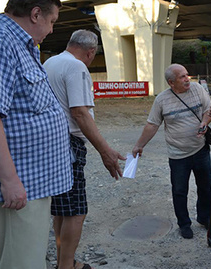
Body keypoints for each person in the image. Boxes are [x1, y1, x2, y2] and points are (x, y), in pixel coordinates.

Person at [0, 1, 72, 268]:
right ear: (35, 14)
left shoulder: (17, 43)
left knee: (21, 258)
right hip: (20, 184)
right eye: (53, 21)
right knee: (22, 263)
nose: (52, 29)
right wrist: (10, 181)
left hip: (30, 180)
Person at [43, 29, 126, 269]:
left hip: (53, 142)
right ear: (91, 52)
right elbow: (80, 112)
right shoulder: (77, 67)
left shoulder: (51, 62)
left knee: (61, 210)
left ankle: (63, 262)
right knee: (76, 211)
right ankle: (66, 266)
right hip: (68, 144)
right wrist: (105, 150)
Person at [132, 64, 211, 239]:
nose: (187, 79)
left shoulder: (198, 89)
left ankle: (205, 218)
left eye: (187, 75)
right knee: (179, 190)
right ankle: (184, 224)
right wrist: (140, 145)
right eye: (182, 77)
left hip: (200, 150)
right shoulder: (161, 100)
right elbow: (152, 124)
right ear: (171, 82)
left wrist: (204, 122)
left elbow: (209, 110)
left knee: (206, 187)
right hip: (178, 155)